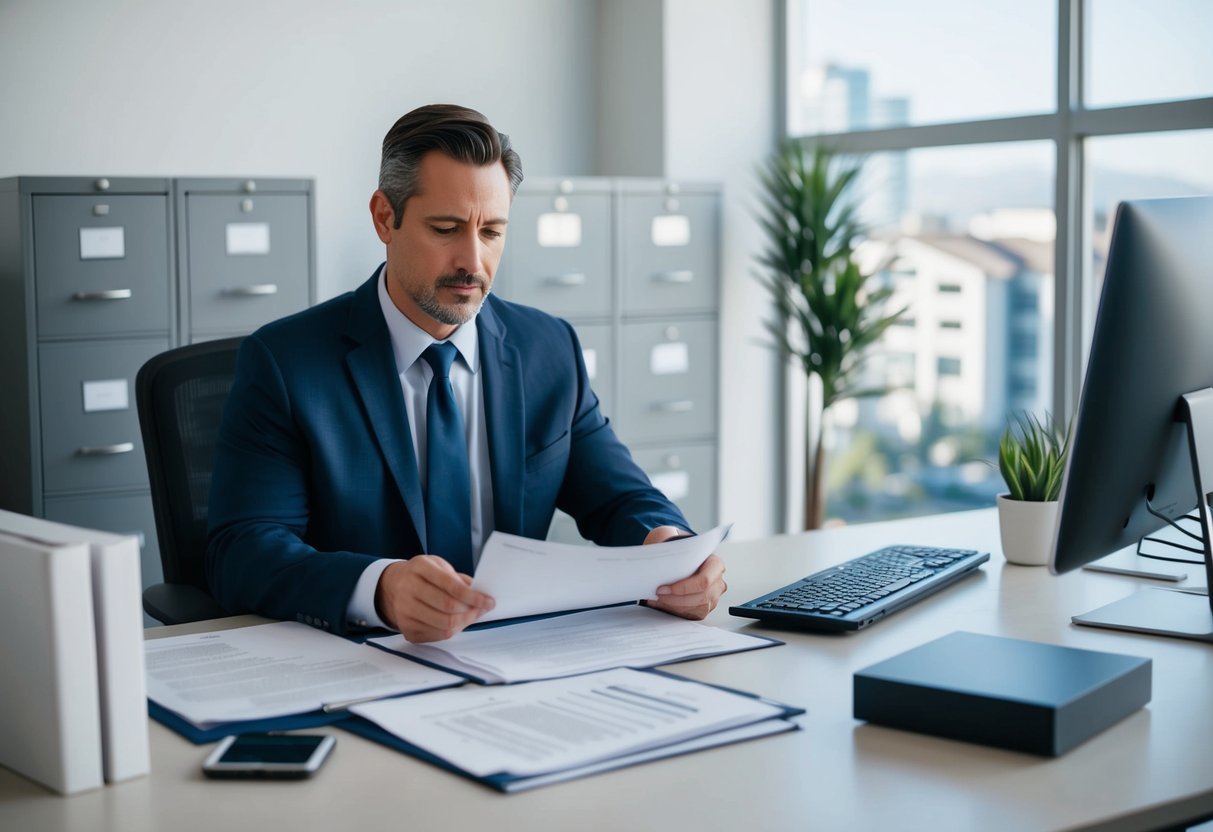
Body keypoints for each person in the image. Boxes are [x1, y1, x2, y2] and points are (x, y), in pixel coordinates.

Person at [207, 104, 725, 643]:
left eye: (492, 232)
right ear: (386, 217)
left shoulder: (547, 349)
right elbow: (242, 550)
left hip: (518, 657)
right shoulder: (287, 361)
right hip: (365, 660)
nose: (472, 262)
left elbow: (620, 498)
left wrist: (670, 550)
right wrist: (379, 588)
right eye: (447, 228)